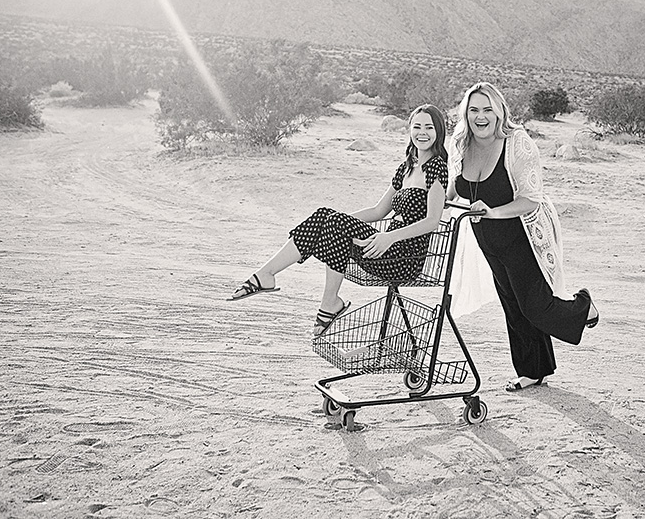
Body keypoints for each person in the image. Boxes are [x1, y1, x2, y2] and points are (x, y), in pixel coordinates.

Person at [230, 104, 449, 337]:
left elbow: (432, 221)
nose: (422, 133)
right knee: (325, 216)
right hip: (380, 247)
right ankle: (268, 274)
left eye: (429, 127)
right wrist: (335, 222)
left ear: (439, 132)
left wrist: (388, 237)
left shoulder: (437, 168)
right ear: (409, 130)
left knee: (333, 222)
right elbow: (377, 211)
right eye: (417, 126)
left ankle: (329, 301)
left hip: (403, 256)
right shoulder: (405, 169)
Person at [447, 82, 597, 392]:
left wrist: (493, 212)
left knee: (535, 306)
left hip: (522, 238)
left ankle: (583, 307)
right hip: (487, 240)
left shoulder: (517, 143)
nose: (481, 116)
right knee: (513, 305)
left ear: (500, 111)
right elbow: (452, 190)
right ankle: (532, 370)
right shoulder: (460, 145)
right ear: (466, 113)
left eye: (488, 109)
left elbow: (532, 198)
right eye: (474, 110)